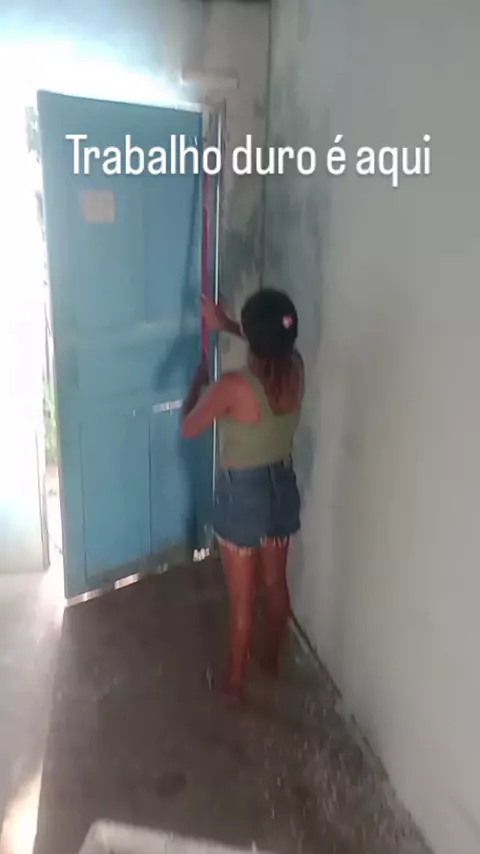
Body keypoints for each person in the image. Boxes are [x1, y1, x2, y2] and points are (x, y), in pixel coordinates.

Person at [180, 289, 304, 701]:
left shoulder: (233, 386)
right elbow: (269, 343)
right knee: (275, 586)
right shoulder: (295, 367)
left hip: (243, 496)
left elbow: (189, 428)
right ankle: (269, 660)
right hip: (282, 486)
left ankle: (233, 686)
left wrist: (196, 385)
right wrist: (226, 324)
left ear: (254, 335)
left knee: (242, 602)